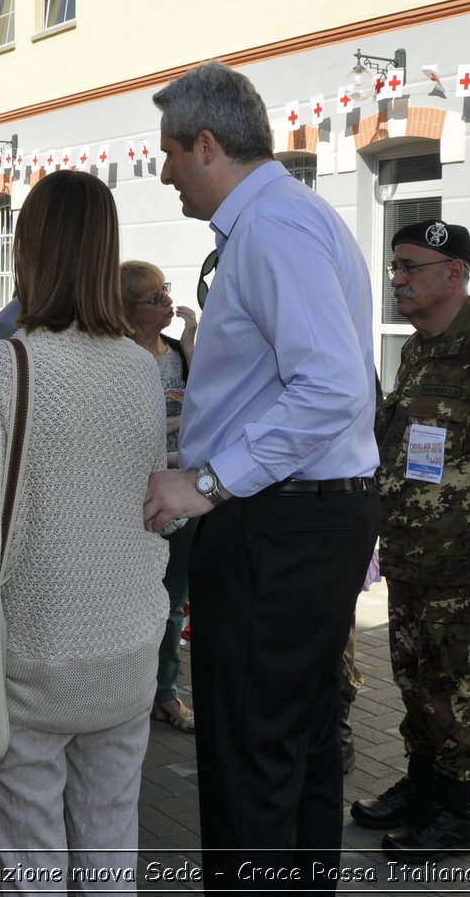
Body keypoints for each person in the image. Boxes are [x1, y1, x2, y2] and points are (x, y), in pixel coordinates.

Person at [141, 60, 379, 891]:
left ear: (207, 145)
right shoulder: (290, 217)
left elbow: (333, 386)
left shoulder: (275, 226)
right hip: (304, 518)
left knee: (251, 758)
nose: (164, 170)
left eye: (169, 152)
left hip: (278, 524)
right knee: (297, 744)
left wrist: (207, 482)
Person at [0, 168, 168, 883]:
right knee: (109, 856)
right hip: (127, 655)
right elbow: (151, 505)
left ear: (30, 248)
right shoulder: (142, 367)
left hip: (30, 666)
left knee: (33, 869)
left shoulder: (1, 367)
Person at [350, 220, 470, 860]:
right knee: (413, 677)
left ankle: (458, 816)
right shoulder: (418, 350)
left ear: (453, 274)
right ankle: (424, 786)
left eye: (410, 267)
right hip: (406, 551)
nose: (397, 279)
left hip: (457, 562)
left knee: (456, 687)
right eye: (395, 267)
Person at [120, 260, 199, 733]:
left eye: (166, 293)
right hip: (136, 492)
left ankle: (165, 693)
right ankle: (129, 692)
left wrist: (192, 344)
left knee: (174, 599)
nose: (168, 303)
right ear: (128, 312)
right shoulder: (118, 360)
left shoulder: (178, 354)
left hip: (185, 492)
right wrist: (177, 421)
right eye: (156, 299)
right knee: (132, 598)